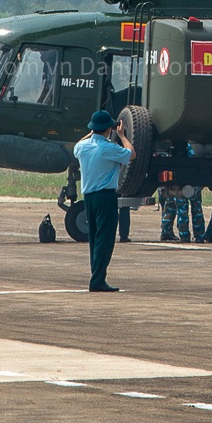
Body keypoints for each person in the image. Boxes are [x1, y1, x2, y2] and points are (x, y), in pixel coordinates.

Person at [74, 110, 132, 292]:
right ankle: (98, 280)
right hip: (105, 197)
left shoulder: (82, 147)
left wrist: (93, 133)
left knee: (94, 238)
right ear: (108, 129)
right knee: (105, 239)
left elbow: (78, 143)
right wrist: (122, 136)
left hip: (89, 197)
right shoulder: (108, 148)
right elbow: (131, 154)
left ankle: (96, 275)